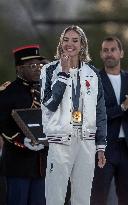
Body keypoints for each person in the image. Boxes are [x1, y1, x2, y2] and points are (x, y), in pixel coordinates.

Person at [40, 25, 107, 205]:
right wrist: (63, 73)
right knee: (55, 197)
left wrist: (101, 146)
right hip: (60, 140)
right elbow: (49, 104)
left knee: (82, 198)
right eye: (66, 40)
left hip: (86, 141)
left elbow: (100, 111)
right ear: (60, 43)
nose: (70, 44)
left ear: (82, 45)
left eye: (75, 40)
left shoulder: (92, 73)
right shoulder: (49, 70)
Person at [90, 36, 128, 205]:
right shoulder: (93, 79)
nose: (109, 54)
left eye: (113, 50)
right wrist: (123, 106)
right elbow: (98, 115)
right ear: (101, 54)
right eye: (105, 50)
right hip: (103, 149)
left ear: (121, 53)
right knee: (98, 198)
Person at [0, 45, 49, 205]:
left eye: (40, 65)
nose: (38, 69)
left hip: (42, 165)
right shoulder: (8, 93)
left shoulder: (47, 91)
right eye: (32, 66)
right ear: (19, 68)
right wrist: (23, 141)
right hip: (18, 165)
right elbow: (3, 126)